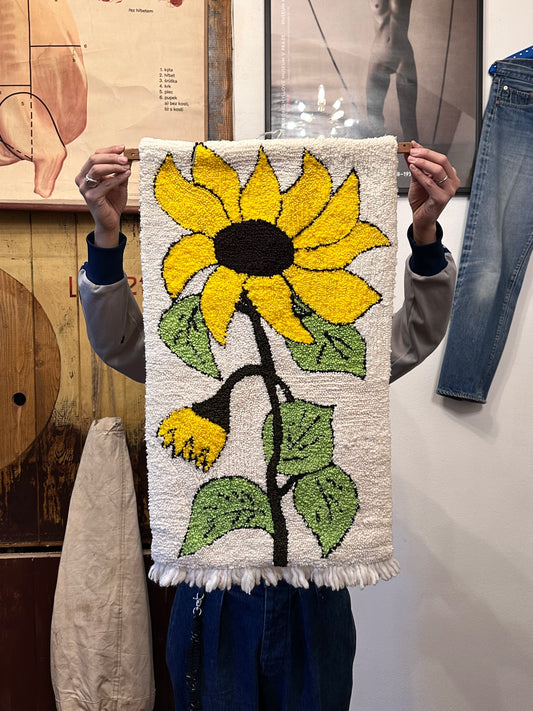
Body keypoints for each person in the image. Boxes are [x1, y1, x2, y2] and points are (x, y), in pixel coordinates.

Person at [75, 141, 459, 711]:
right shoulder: (193, 340)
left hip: (312, 584)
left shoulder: (328, 335)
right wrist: (107, 237)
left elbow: (408, 337)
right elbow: (123, 341)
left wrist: (424, 236)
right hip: (215, 585)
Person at [366, 0, 419, 140]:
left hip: (403, 56)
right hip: (379, 55)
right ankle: (379, 153)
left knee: (408, 118)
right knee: (374, 115)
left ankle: (416, 154)